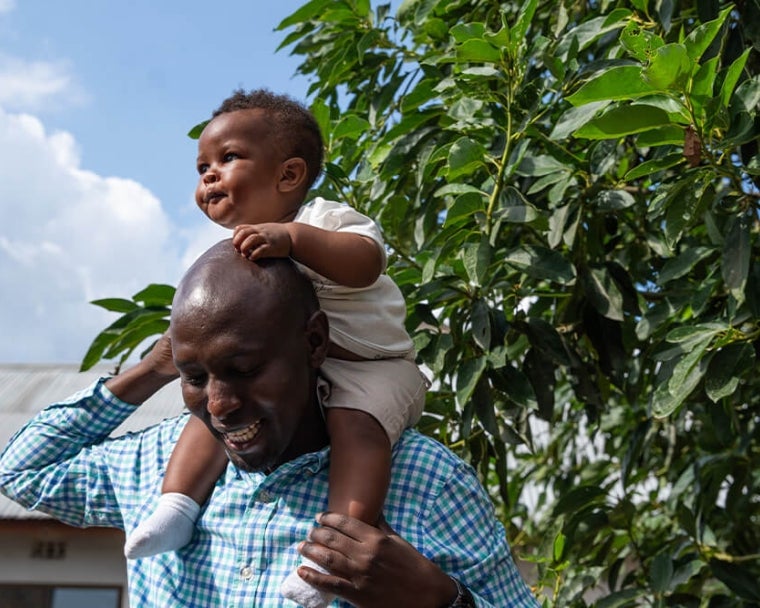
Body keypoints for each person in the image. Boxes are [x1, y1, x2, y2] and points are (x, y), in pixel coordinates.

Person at [0, 245, 539, 607]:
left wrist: (438, 601)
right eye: (195, 376)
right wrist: (148, 371)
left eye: (245, 370)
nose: (219, 404)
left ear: (314, 343)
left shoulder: (423, 481)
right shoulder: (152, 465)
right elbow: (21, 470)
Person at [123, 89, 429, 606]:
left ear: (289, 176)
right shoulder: (230, 256)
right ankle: (176, 506)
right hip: (298, 373)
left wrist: (293, 239)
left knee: (357, 428)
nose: (209, 175)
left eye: (228, 158)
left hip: (372, 367)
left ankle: (330, 556)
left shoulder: (322, 220)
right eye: (202, 167)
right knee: (212, 410)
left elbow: (366, 262)